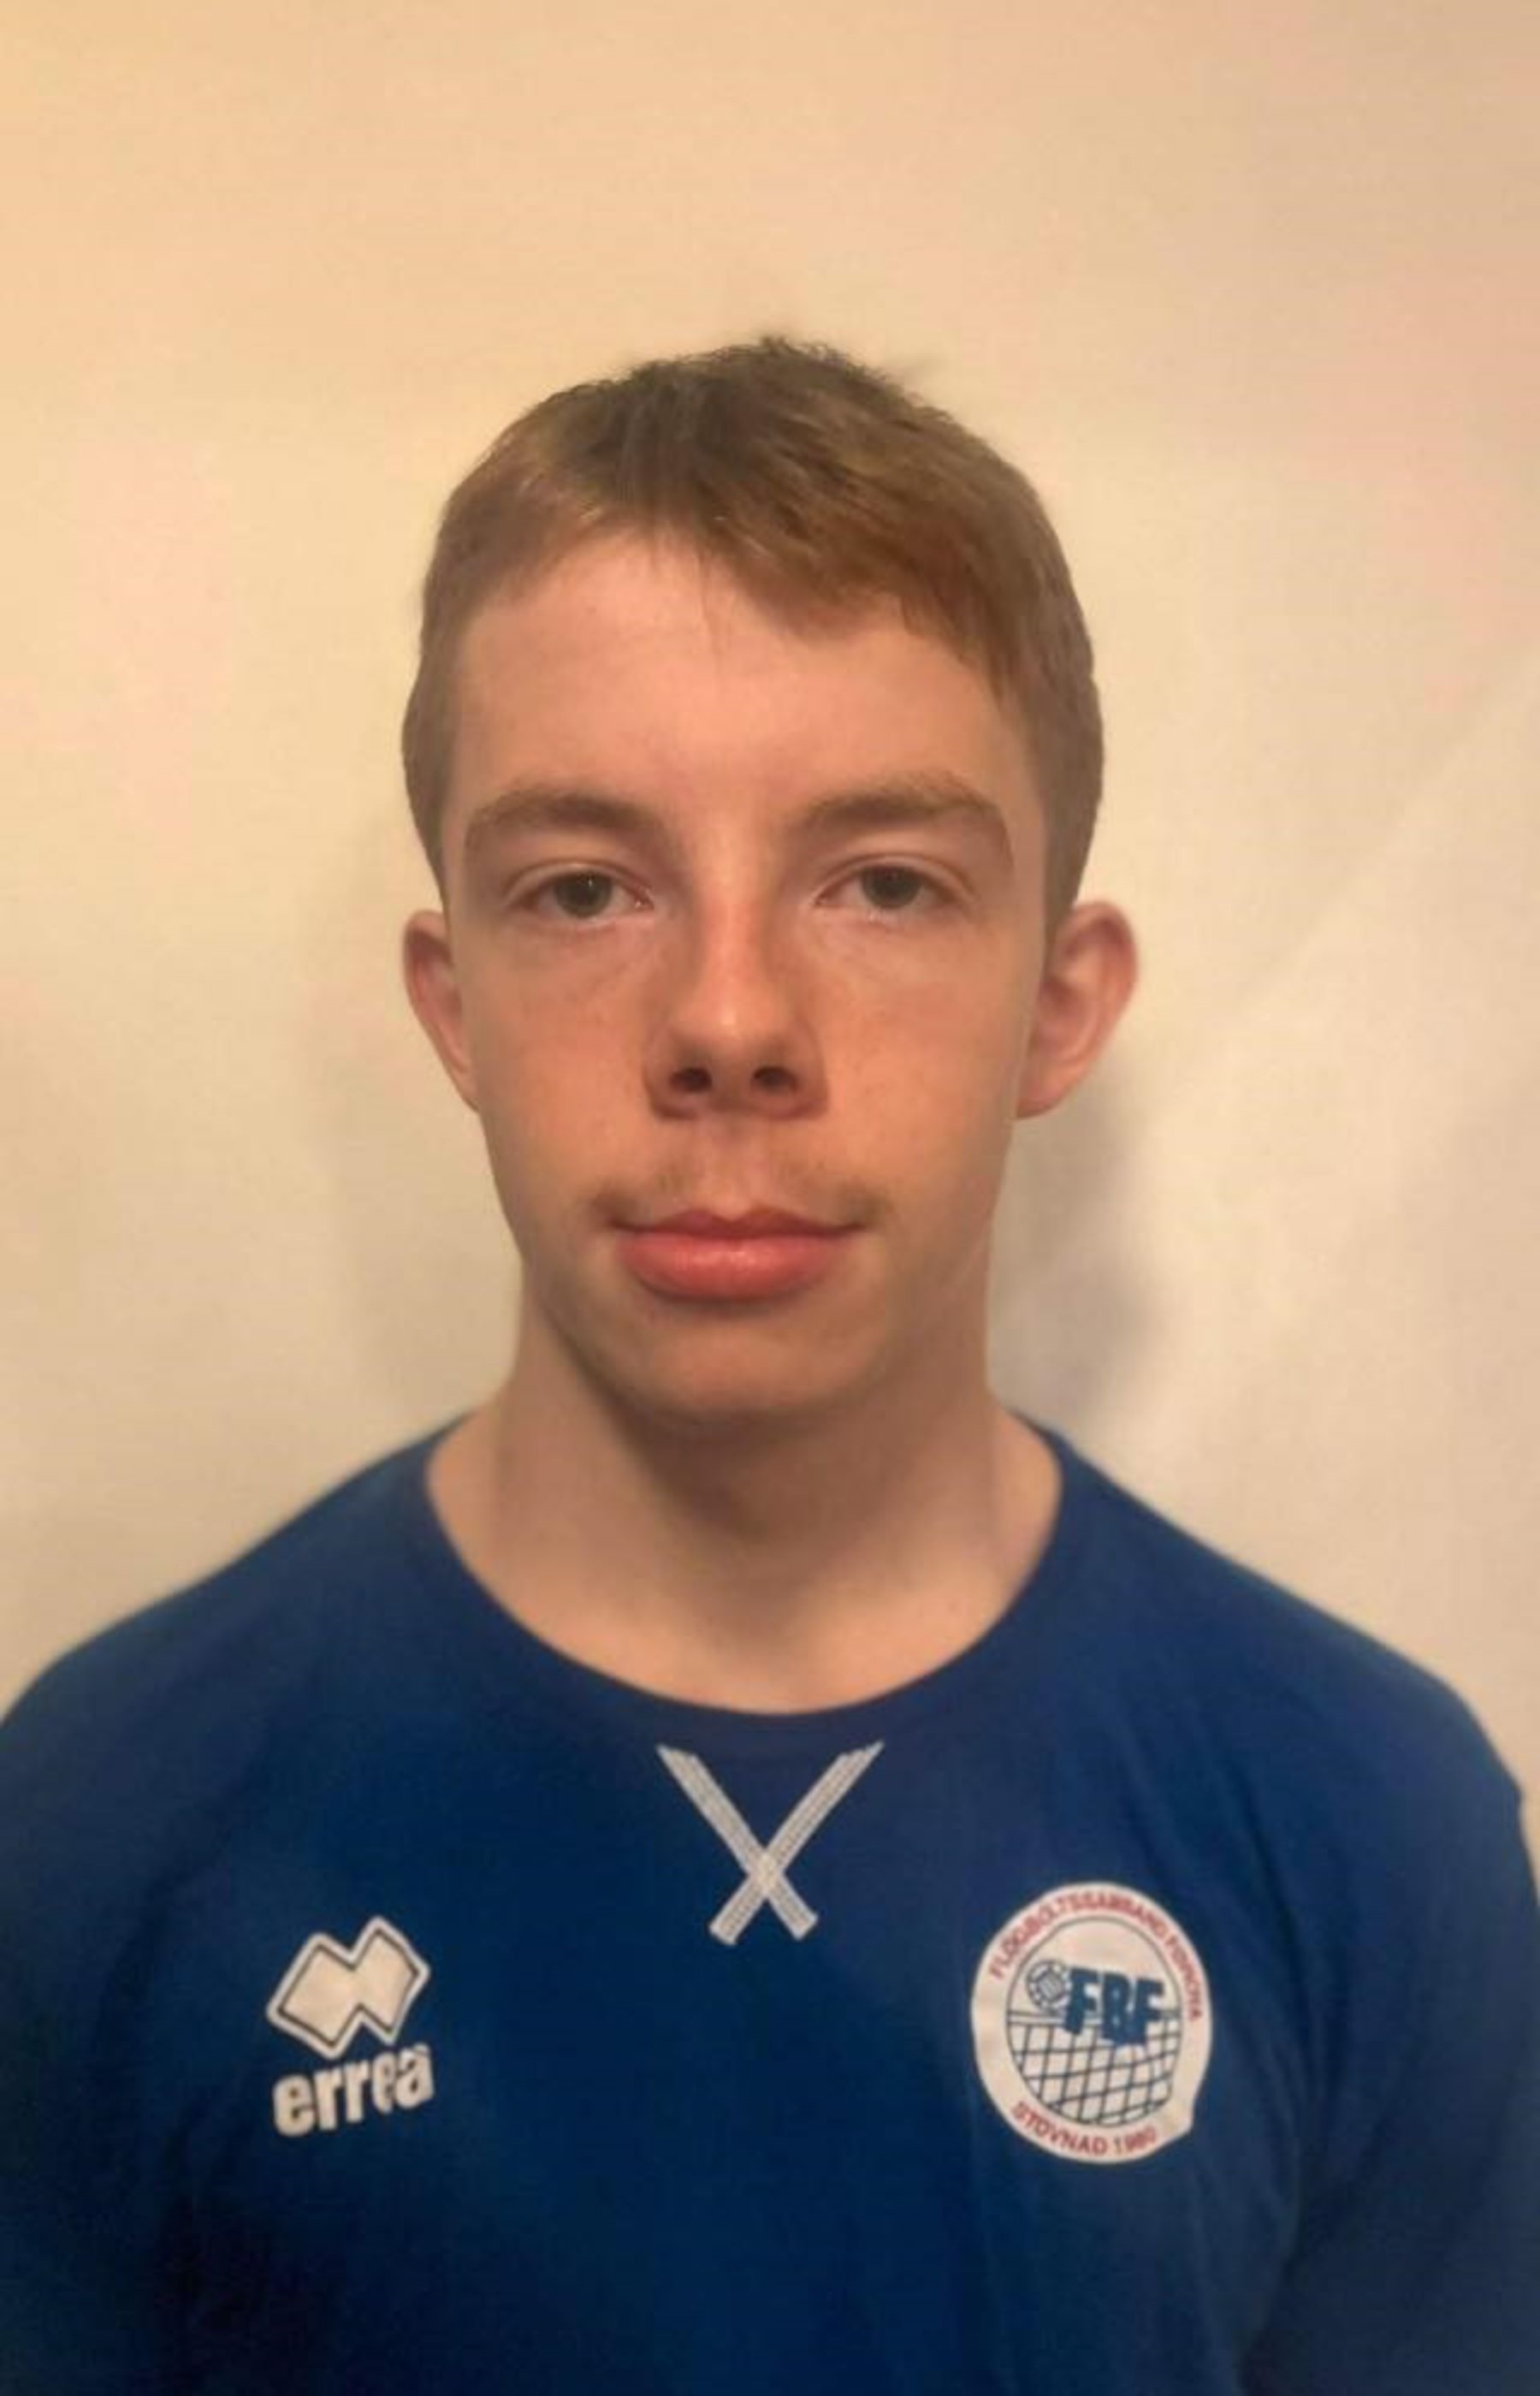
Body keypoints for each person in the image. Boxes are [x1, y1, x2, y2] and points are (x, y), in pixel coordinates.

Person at [2, 336, 1535, 2395]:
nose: (729, 1018)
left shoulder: (1371, 1820)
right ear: (453, 1002)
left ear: (1059, 1002)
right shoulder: (100, 1816)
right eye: (585, 888)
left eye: (886, 881)